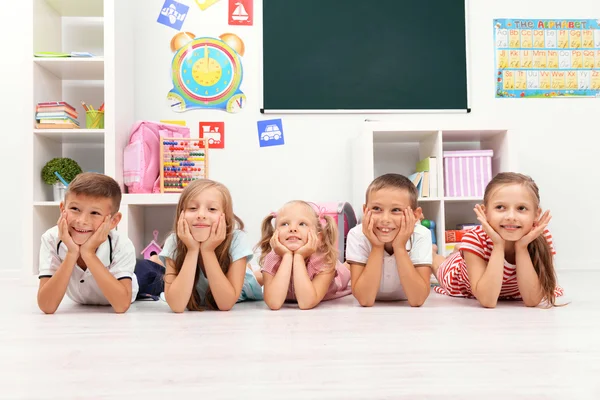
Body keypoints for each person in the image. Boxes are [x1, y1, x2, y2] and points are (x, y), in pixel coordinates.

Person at [432, 172, 563, 308]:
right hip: (461, 274)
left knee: (466, 251)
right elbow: (488, 301)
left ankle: (458, 250)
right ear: (485, 211)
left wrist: (522, 247)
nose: (511, 216)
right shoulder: (474, 238)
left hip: (486, 261)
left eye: (521, 208)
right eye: (500, 207)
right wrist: (498, 245)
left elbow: (532, 300)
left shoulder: (540, 236)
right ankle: (434, 253)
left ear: (536, 214)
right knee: (439, 264)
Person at [37, 172, 138, 314]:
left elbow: (121, 305)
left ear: (113, 221)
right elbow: (47, 306)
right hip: (84, 296)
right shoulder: (51, 239)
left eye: (95, 213)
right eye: (75, 209)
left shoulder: (121, 244)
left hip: (139, 278)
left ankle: (155, 260)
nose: (82, 221)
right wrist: (72, 253)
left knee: (152, 272)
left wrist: (88, 253)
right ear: (62, 209)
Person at [161, 179, 262, 312]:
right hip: (202, 289)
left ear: (225, 217)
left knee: (259, 276)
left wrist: (208, 251)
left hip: (241, 284)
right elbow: (177, 306)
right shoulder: (173, 241)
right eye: (192, 208)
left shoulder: (236, 239)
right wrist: (192, 250)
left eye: (212, 209)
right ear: (181, 214)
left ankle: (251, 269)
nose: (201, 215)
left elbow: (225, 304)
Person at [346, 173, 433, 307]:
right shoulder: (357, 235)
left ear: (415, 215)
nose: (385, 219)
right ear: (365, 210)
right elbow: (365, 300)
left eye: (396, 210)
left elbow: (417, 299)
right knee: (341, 270)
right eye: (376, 209)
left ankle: (435, 254)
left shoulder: (421, 235)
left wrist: (399, 247)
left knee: (438, 263)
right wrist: (377, 246)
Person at [257, 201, 351, 310]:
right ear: (274, 235)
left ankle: (349, 263)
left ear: (318, 238)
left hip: (336, 279)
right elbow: (274, 303)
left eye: (302, 224)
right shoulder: (271, 259)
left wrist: (298, 257)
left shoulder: (324, 261)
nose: (292, 229)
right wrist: (287, 256)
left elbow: (306, 303)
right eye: (285, 224)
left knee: (346, 269)